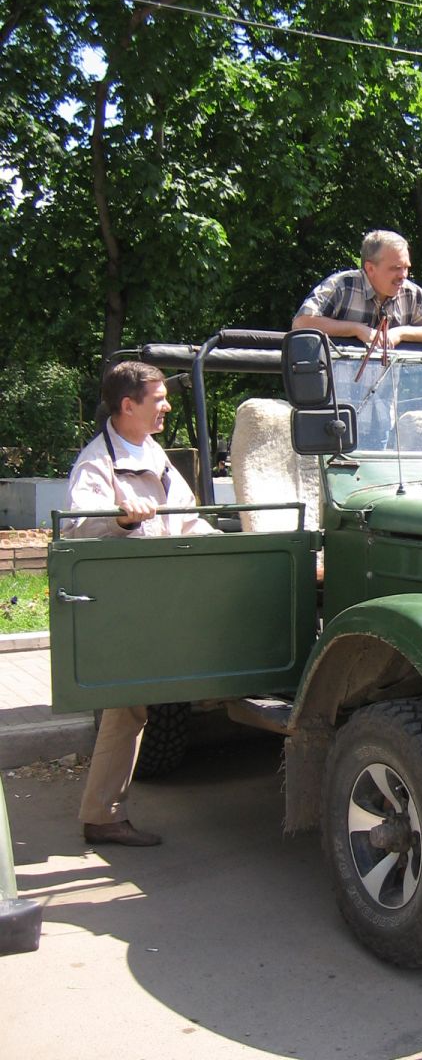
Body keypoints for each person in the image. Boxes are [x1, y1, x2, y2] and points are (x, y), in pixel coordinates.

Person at [65, 360, 217, 847]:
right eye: (158, 399)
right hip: (128, 600)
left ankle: (103, 812)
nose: (167, 406)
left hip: (167, 594)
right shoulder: (97, 462)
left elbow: (188, 519)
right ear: (128, 405)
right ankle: (103, 816)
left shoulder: (154, 453)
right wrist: (122, 520)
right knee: (127, 706)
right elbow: (75, 525)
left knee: (132, 705)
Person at [292, 229, 422, 347]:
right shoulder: (342, 286)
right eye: (395, 268)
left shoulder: (411, 294)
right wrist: (356, 330)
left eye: (406, 267)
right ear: (370, 268)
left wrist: (400, 333)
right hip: (335, 389)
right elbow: (301, 322)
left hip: (387, 390)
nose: (403, 275)